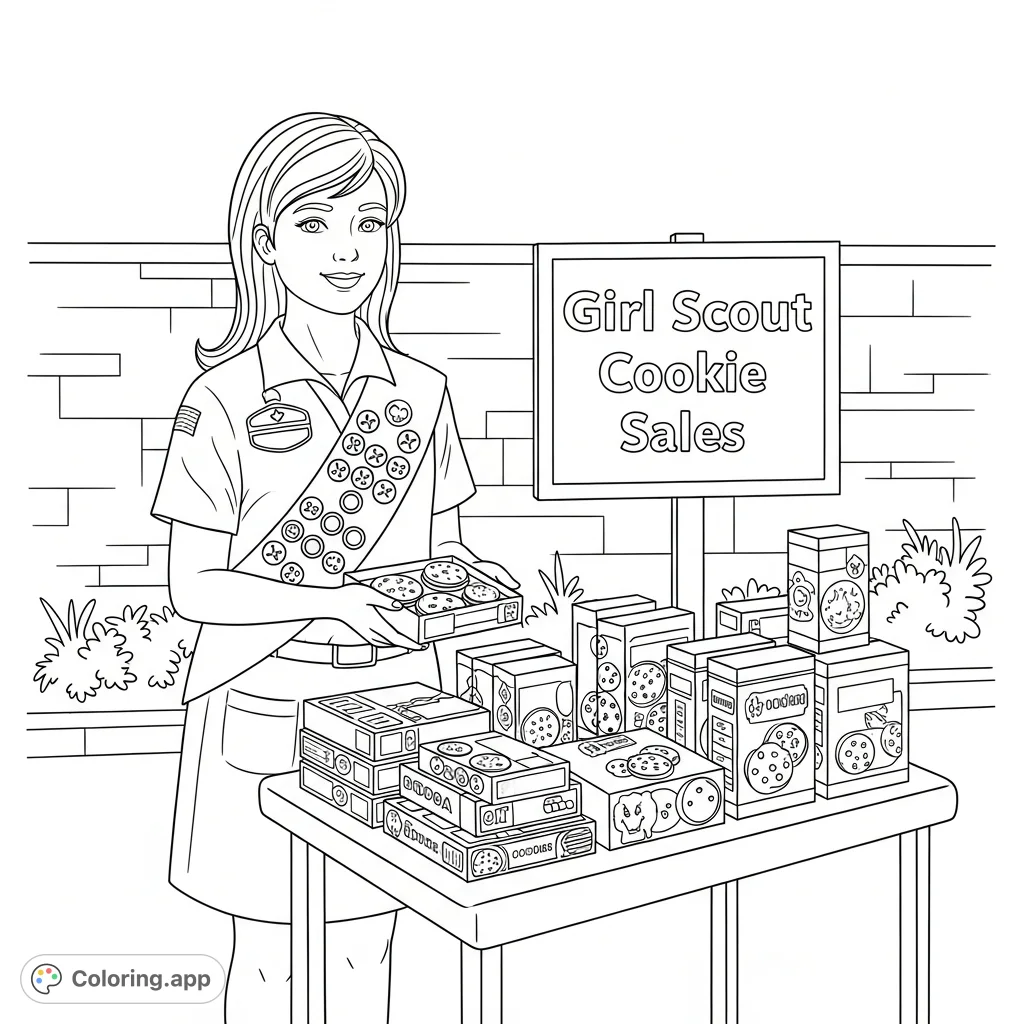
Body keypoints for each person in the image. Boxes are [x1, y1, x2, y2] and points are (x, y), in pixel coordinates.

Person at [151, 112, 517, 1024]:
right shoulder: (225, 397)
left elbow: (441, 550)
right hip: (266, 696)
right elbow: (192, 585)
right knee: (272, 963)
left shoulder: (421, 393)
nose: (347, 249)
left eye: (369, 223)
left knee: (364, 953)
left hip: (403, 703)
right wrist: (335, 600)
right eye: (315, 224)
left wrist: (483, 586)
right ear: (266, 243)